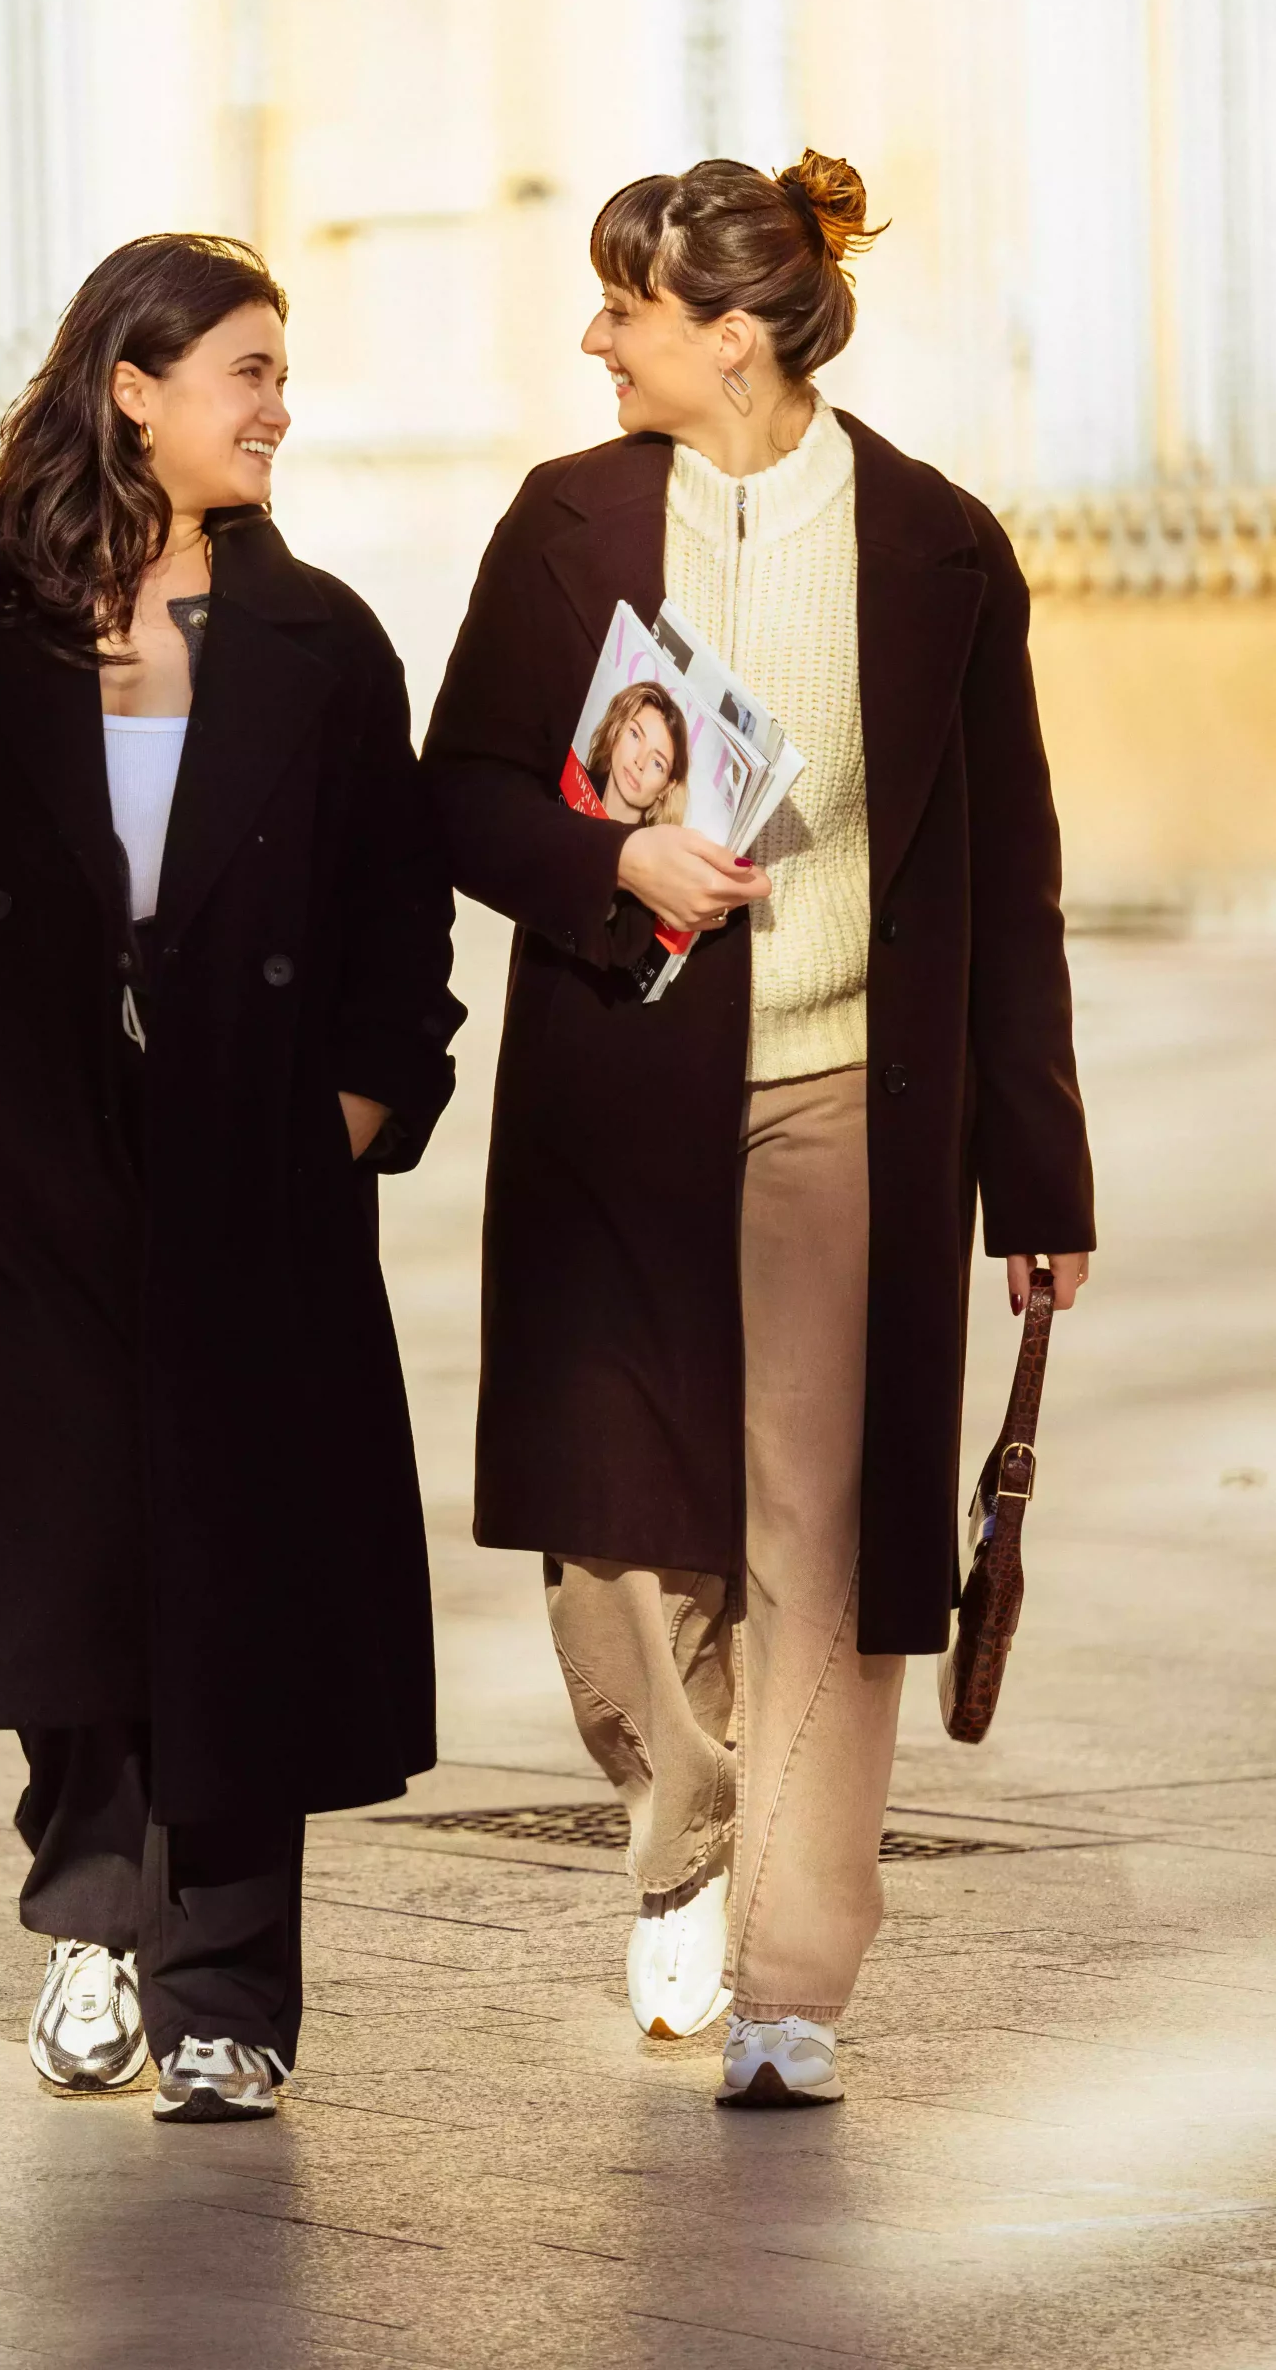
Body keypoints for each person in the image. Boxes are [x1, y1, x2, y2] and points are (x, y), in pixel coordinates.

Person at [0, 233, 463, 2120]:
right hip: (21, 1148)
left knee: (246, 1572)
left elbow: (399, 904)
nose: (278, 406)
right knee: (66, 1552)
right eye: (247, 369)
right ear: (132, 388)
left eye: (280, 370)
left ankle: (226, 1988)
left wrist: (363, 1104)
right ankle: (90, 1913)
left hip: (255, 1162)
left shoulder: (320, 639)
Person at [422, 152, 1093, 2108]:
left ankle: (791, 1981)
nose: (589, 337)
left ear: (730, 337)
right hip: (611, 1091)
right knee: (613, 1532)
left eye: (621, 307)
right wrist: (610, 857)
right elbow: (456, 791)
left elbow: (1008, 880)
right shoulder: (562, 521)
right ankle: (684, 1833)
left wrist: (1035, 1173)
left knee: (818, 1531)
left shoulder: (939, 548)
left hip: (844, 1107)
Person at [585, 682, 690, 827]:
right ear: (616, 729)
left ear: (667, 788)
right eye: (635, 735)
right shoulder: (560, 783)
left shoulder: (652, 844)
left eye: (657, 764)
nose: (640, 762)